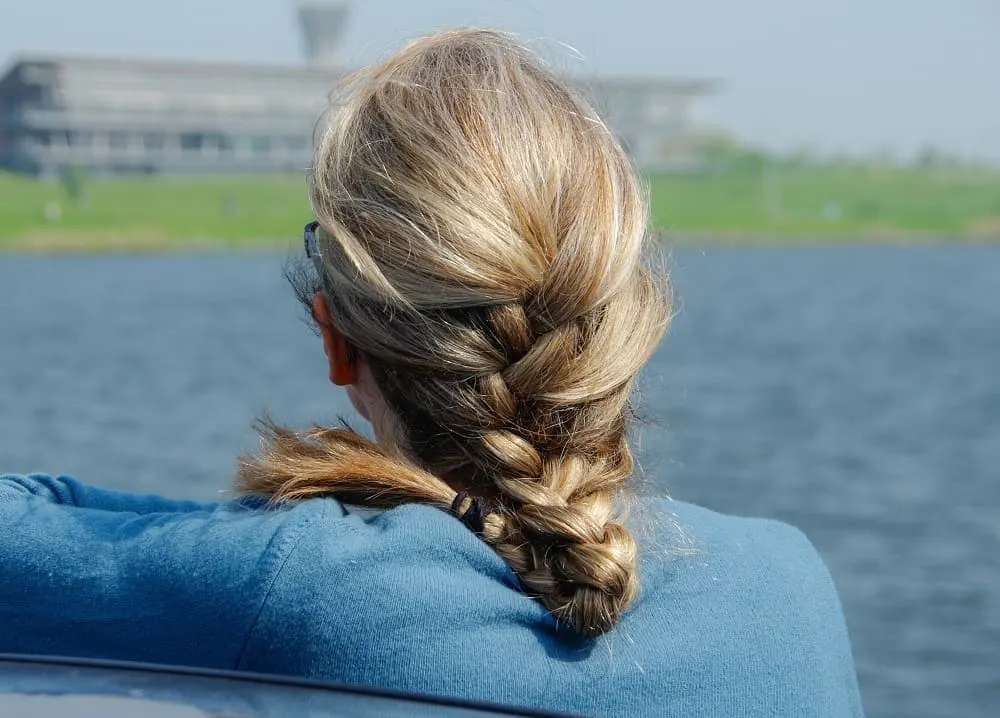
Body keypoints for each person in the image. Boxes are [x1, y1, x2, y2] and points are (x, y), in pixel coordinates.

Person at [0, 29, 863, 717]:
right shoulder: (787, 588)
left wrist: (228, 538)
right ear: (620, 336)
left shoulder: (290, 583)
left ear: (336, 340)